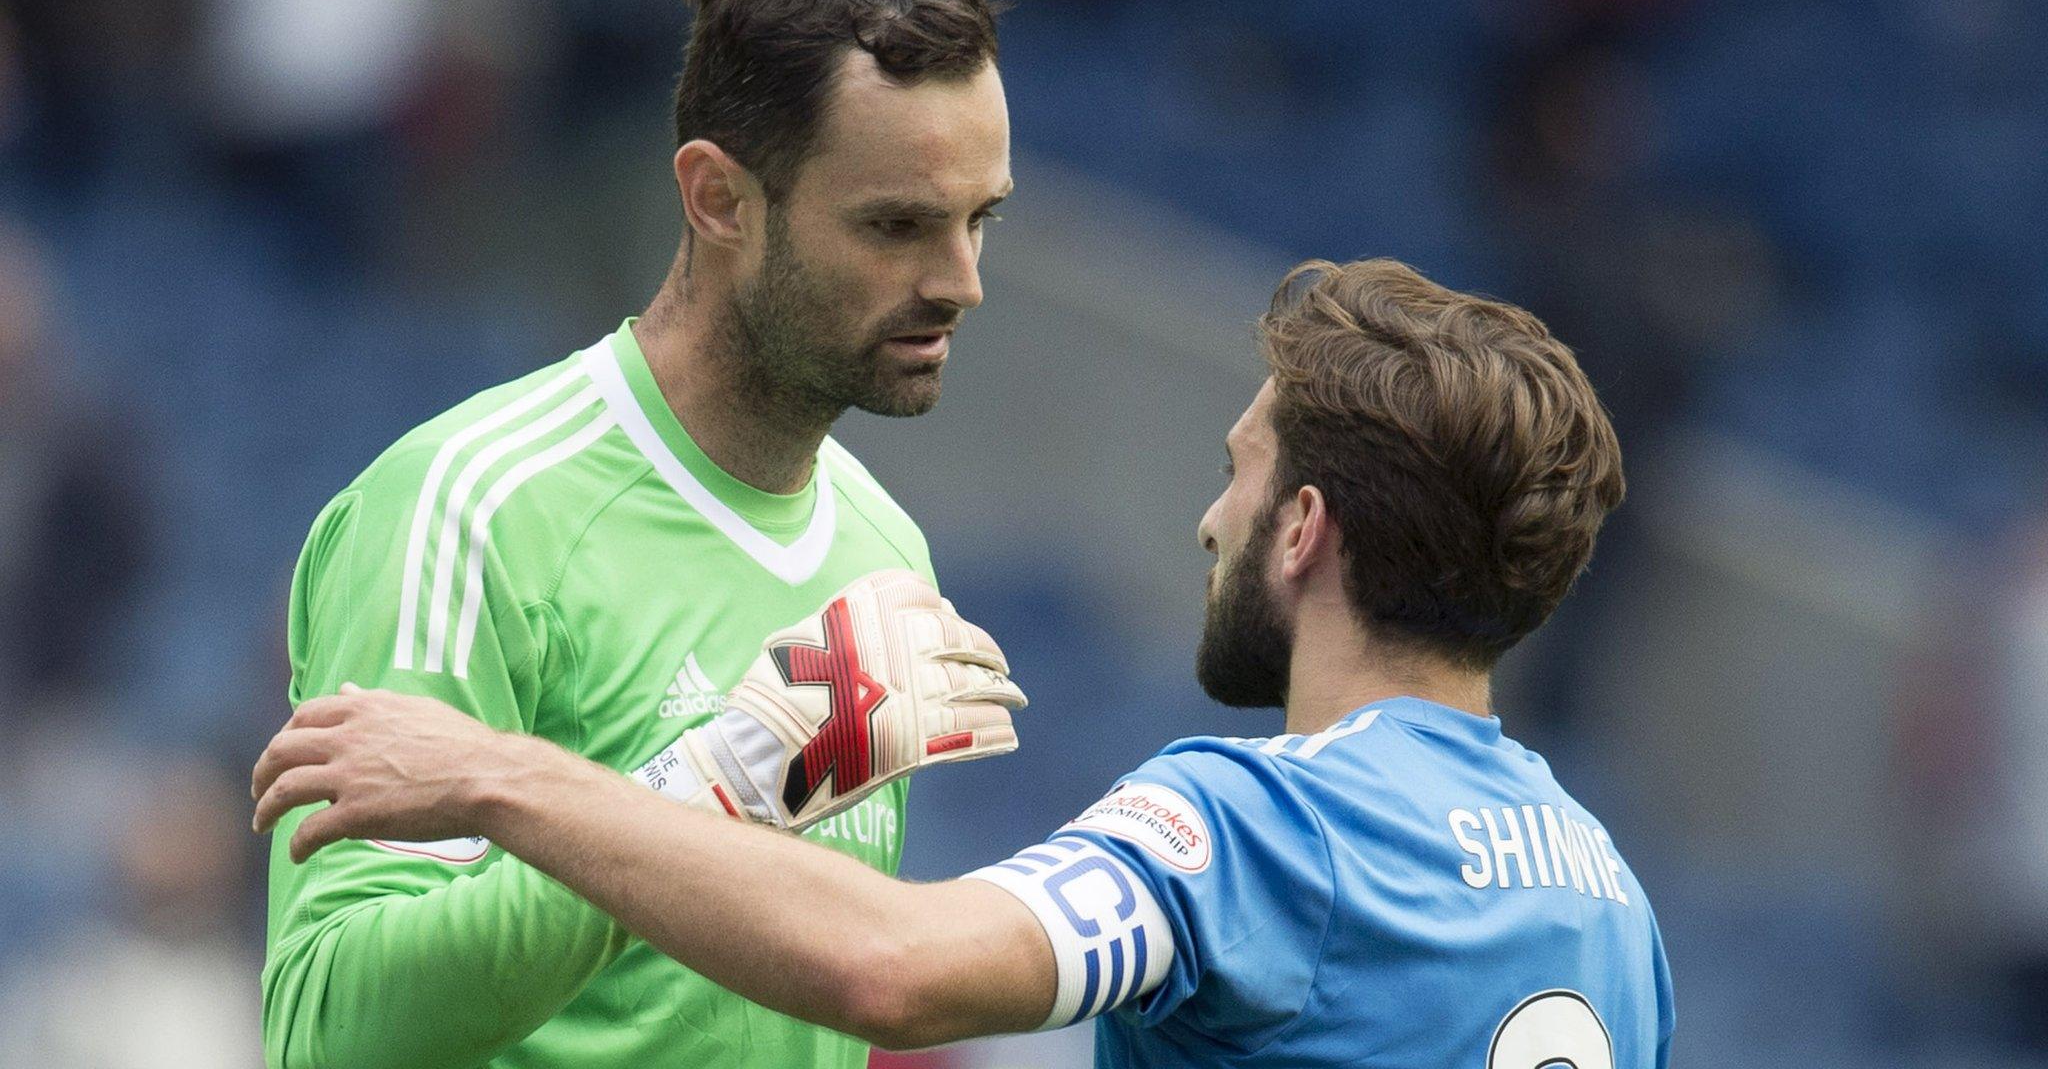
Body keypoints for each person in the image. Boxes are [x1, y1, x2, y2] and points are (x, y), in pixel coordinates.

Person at [256, 258, 1678, 1065]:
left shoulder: (1251, 831)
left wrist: (508, 778)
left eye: (1236, 476)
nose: (1209, 519)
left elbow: (895, 969)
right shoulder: (1612, 903)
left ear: (1303, 530)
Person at [258, 0, 1022, 1068]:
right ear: (718, 199)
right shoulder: (468, 507)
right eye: (895, 225)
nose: (959, 283)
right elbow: (328, 1033)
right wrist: (718, 793)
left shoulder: (884, 550)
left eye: (980, 221)